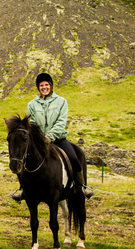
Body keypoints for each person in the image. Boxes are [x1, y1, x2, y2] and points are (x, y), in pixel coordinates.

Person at [12, 72, 94, 203]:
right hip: (39, 142)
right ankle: (22, 189)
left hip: (58, 139)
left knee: (73, 157)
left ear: (51, 86)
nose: (44, 87)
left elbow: (61, 123)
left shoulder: (61, 102)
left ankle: (82, 186)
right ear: (38, 88)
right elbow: (30, 125)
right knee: (23, 159)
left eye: (46, 85)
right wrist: (38, 138)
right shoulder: (32, 104)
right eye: (41, 85)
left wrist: (49, 137)